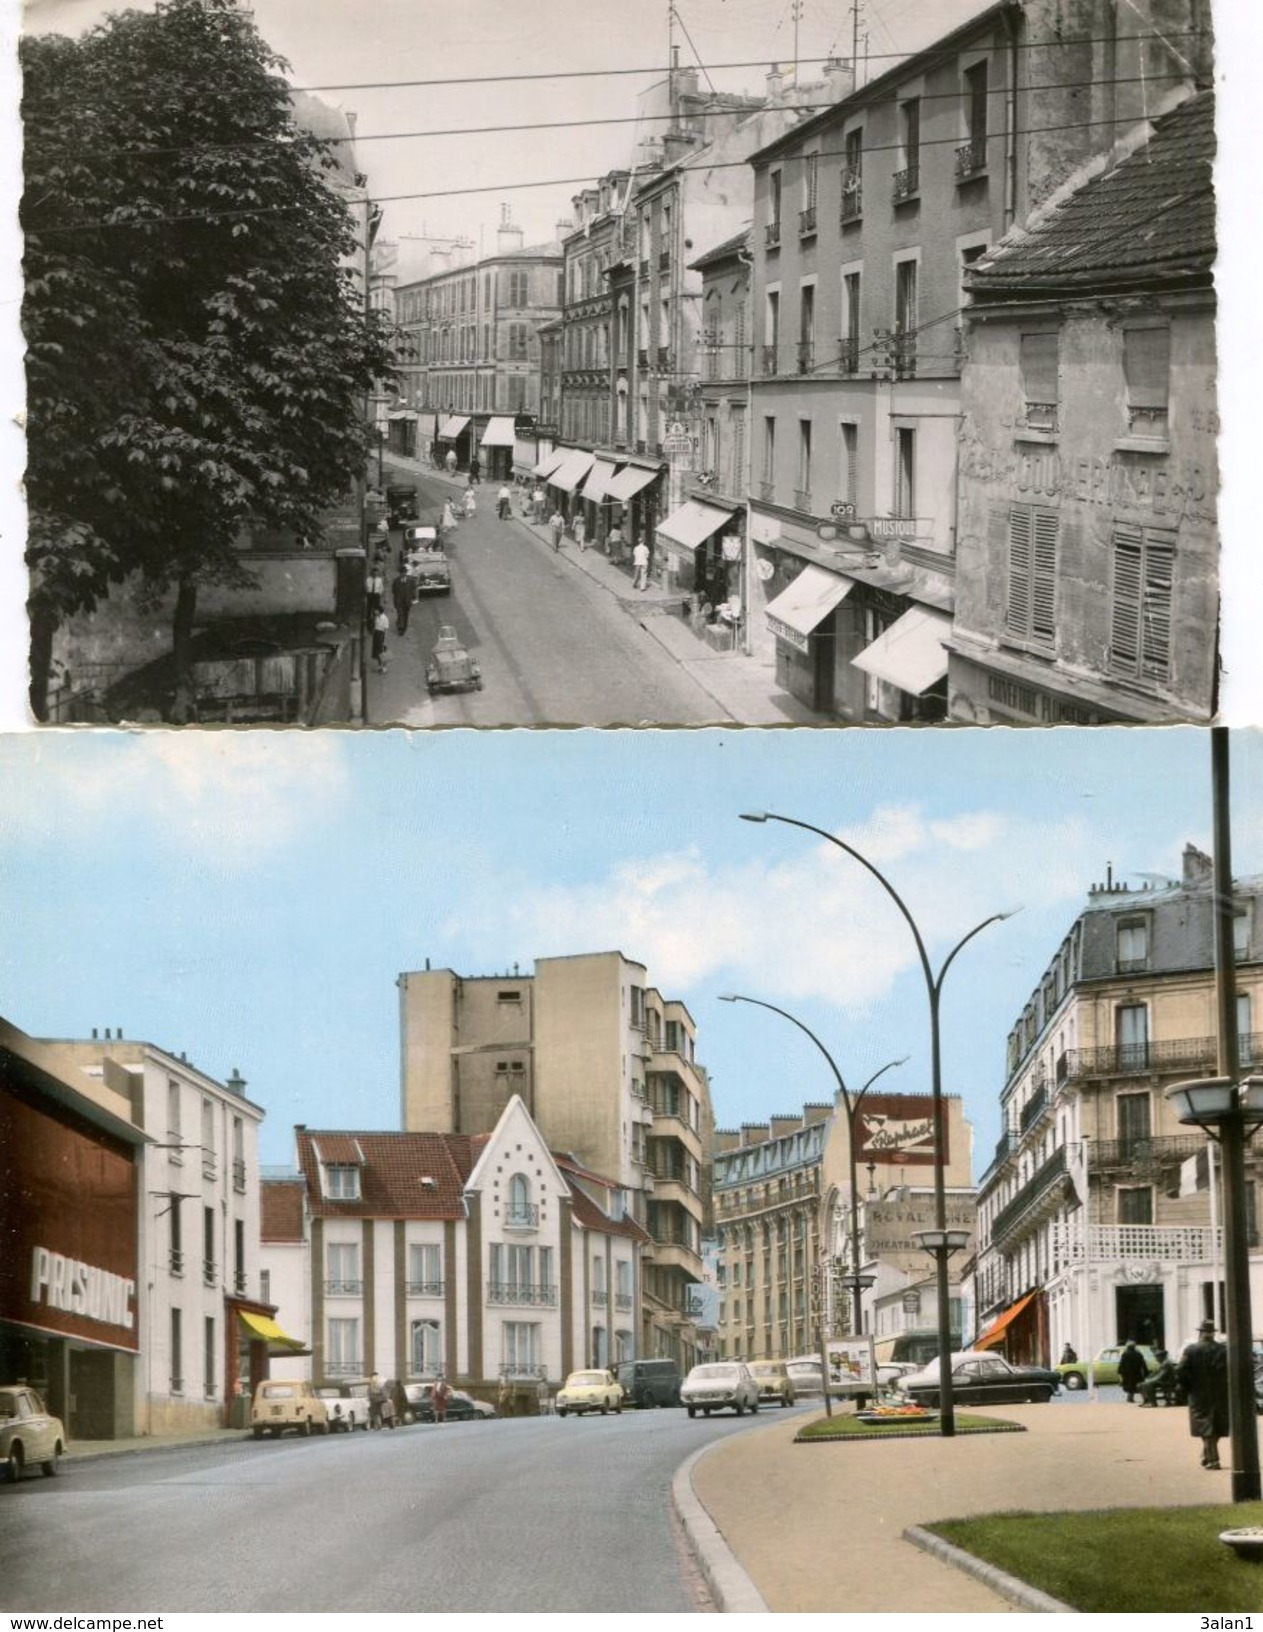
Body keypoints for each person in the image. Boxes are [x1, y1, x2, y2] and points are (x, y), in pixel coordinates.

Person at [1177, 1321, 1229, 1469]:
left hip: (1198, 1393)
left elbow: (1181, 1370)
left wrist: (1187, 1387)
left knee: (1204, 1425)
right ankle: (1207, 1454)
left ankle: (1213, 1460)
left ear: (1200, 1333)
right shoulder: (1223, 1350)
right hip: (1219, 1393)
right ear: (1213, 1333)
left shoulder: (1191, 1350)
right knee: (1215, 1425)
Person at [1118, 1338, 1147, 1403]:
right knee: (1139, 1386)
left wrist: (1120, 1372)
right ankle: (1145, 1398)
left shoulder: (1125, 1354)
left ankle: (1130, 1398)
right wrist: (1145, 1372)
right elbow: (1143, 1363)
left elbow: (1122, 1364)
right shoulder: (1138, 1354)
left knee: (1130, 1386)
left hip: (1128, 1373)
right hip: (1137, 1372)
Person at [391, 568, 414, 635]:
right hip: (399, 601)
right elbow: (393, 590)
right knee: (400, 613)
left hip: (407, 601)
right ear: (400, 573)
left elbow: (413, 589)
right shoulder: (396, 581)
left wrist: (412, 598)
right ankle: (400, 628)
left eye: (404, 573)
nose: (403, 574)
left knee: (406, 615)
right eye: (401, 573)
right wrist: (396, 598)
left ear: (406, 573)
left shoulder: (410, 580)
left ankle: (404, 627)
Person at [371, 607, 389, 673]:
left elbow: (386, 630)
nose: (375, 611)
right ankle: (379, 665)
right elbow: (375, 626)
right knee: (377, 651)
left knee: (382, 650)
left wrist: (385, 640)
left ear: (379, 611)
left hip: (381, 634)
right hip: (376, 634)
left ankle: (384, 667)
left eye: (376, 610)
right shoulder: (377, 617)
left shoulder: (385, 618)